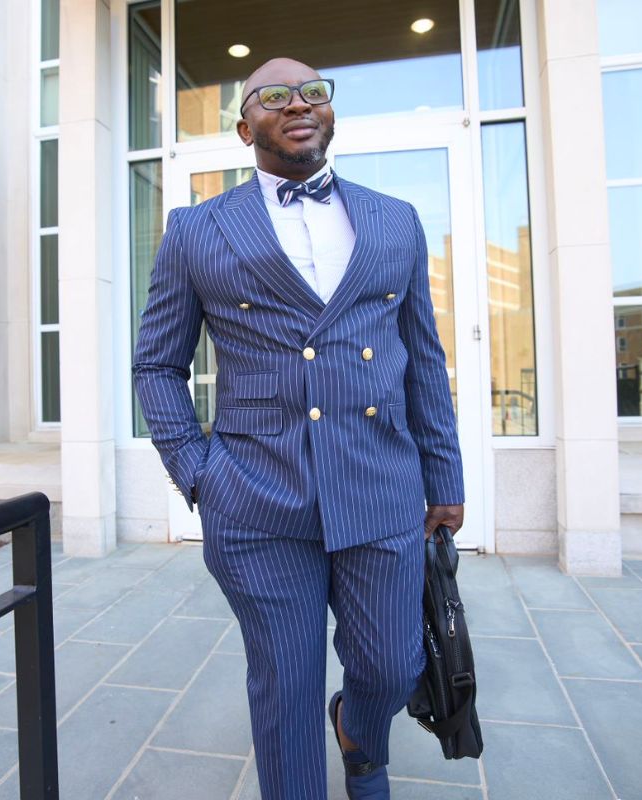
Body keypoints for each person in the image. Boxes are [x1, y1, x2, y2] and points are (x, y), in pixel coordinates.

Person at [133, 57, 464, 800]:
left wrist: (444, 476)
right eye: (273, 97)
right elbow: (156, 366)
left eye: (313, 92)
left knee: (393, 666)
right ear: (246, 126)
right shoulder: (196, 230)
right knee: (284, 689)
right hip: (254, 497)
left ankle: (359, 731)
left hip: (380, 484)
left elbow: (424, 361)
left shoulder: (394, 220)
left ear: (332, 115)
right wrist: (198, 473)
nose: (298, 104)